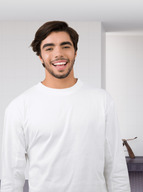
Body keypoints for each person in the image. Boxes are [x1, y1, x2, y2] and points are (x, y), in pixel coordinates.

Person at [1, 21, 131, 192]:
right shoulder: (19, 107)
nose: (58, 54)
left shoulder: (102, 100)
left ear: (75, 52)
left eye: (65, 46)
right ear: (40, 56)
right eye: (49, 48)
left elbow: (115, 166)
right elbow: (12, 175)